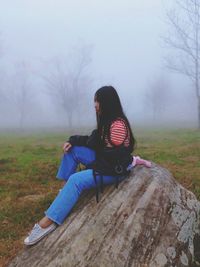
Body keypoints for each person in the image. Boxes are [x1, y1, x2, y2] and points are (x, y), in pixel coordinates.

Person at [24, 86, 151, 246]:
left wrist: (93, 147)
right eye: (94, 101)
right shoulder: (108, 121)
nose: (95, 105)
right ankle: (64, 192)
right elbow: (94, 142)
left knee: (76, 180)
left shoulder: (117, 125)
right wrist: (72, 141)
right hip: (104, 163)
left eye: (97, 101)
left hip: (113, 170)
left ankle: (49, 221)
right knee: (72, 151)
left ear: (107, 102)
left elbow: (115, 157)